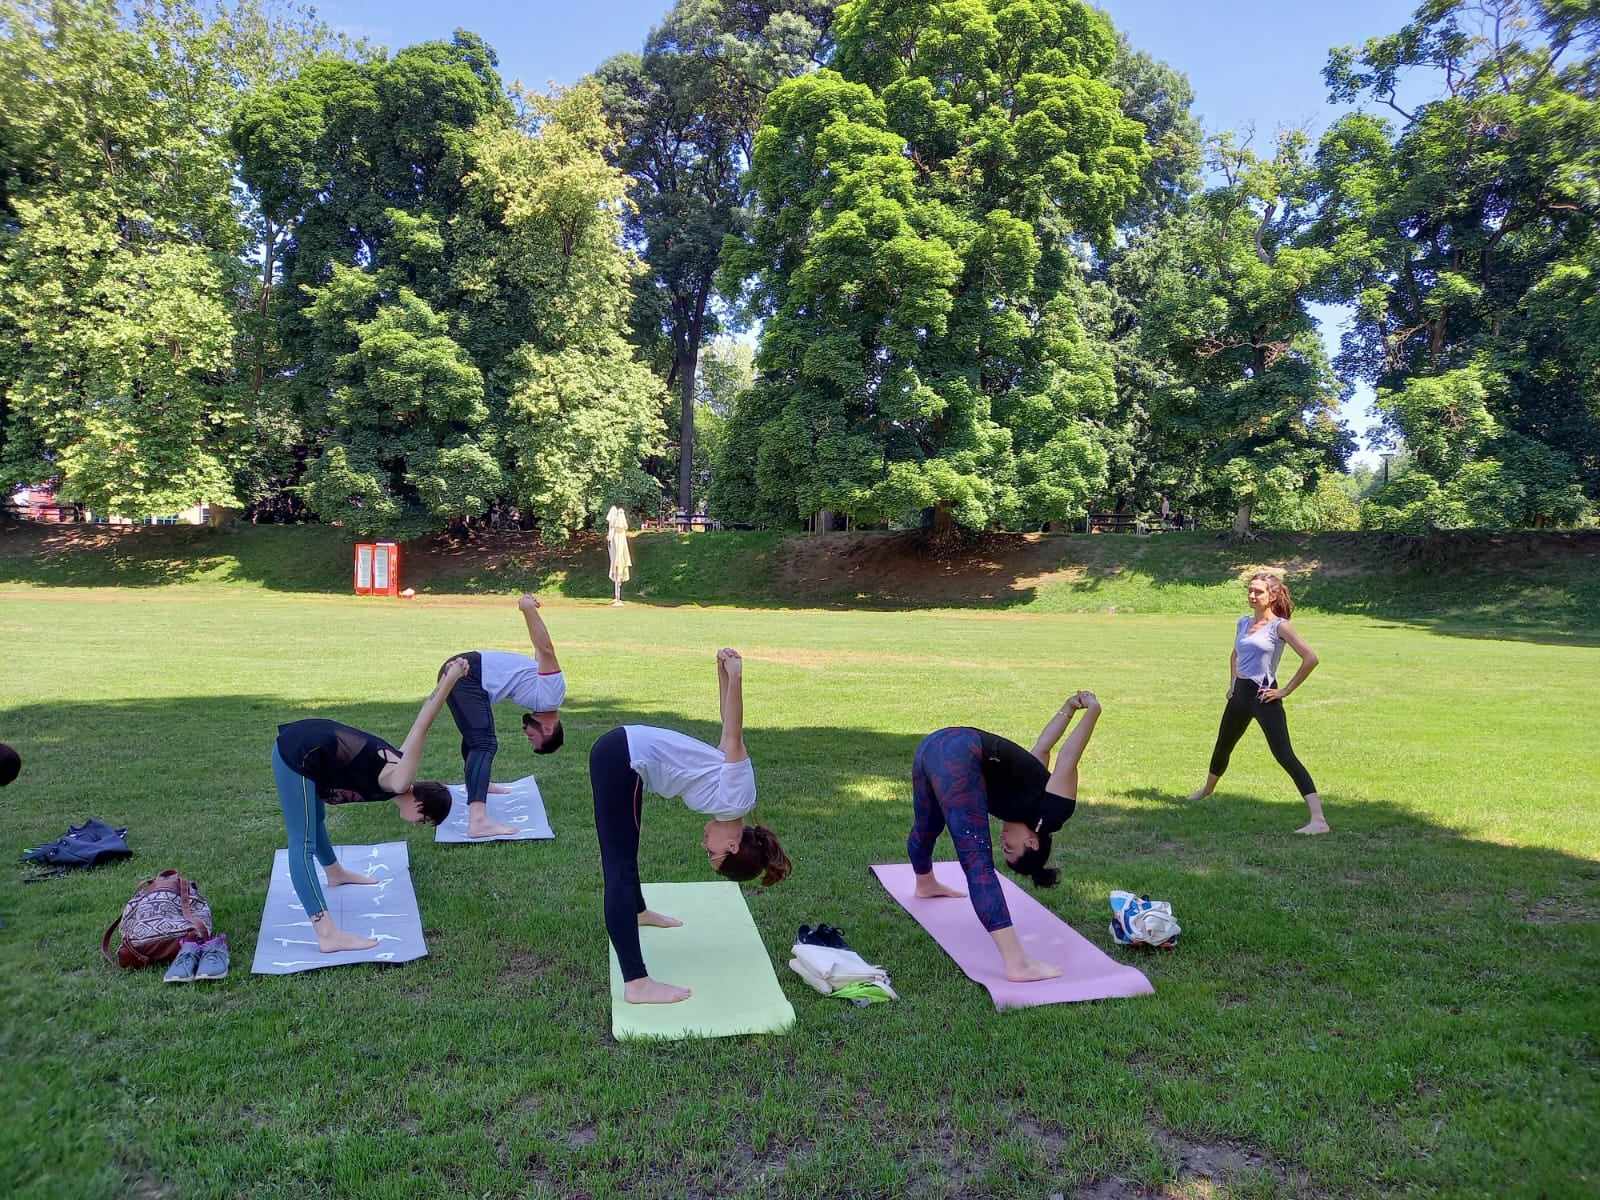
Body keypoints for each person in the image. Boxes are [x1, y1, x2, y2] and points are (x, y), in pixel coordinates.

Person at [587, 648, 791, 1004]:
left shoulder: (733, 801)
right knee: (617, 867)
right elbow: (736, 732)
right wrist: (736, 676)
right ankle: (636, 983)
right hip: (622, 760)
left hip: (624, 757)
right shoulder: (736, 800)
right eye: (712, 852)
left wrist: (722, 675)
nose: (704, 844)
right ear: (731, 847)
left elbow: (727, 731)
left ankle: (638, 911)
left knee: (625, 851)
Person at [271, 660, 466, 953]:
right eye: (424, 820)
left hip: (311, 750)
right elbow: (423, 722)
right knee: (302, 841)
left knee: (316, 816)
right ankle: (326, 933)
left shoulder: (393, 784)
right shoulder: (400, 780)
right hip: (297, 755)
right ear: (421, 804)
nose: (417, 825)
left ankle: (335, 873)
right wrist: (450, 678)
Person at [908, 692, 1103, 982]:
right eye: (1011, 849)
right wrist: (1091, 711)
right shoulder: (1053, 811)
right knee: (978, 864)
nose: (1003, 844)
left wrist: (1066, 709)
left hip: (934, 745)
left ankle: (925, 883)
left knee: (927, 825)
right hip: (957, 752)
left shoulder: (1026, 786)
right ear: (1032, 842)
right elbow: (1066, 756)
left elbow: (1040, 748)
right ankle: (1018, 964)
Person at [1188, 572, 1328, 834]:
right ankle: (1206, 790)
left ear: (1272, 595)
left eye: (1259, 592)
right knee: (1223, 745)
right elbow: (1235, 654)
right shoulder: (1242, 622)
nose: (1252, 595)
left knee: (1284, 755)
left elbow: (1311, 658)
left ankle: (1318, 820)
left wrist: (1284, 690)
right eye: (1250, 590)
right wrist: (1232, 685)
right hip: (1239, 695)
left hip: (1264, 697)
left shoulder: (1280, 626)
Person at [440, 594, 567, 838]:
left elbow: (539, 656)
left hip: (467, 675)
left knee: (475, 737)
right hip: (468, 674)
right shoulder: (552, 697)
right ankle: (478, 821)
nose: (526, 734)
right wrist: (528, 609)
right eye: (532, 738)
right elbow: (546, 649)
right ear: (548, 730)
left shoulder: (544, 695)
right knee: (484, 742)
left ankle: (480, 785)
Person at [606, 504, 632, 606]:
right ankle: (617, 596)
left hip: (619, 552)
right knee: (616, 567)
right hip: (616, 549)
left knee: (619, 566)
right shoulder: (616, 534)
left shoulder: (620, 535)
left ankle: (618, 597)